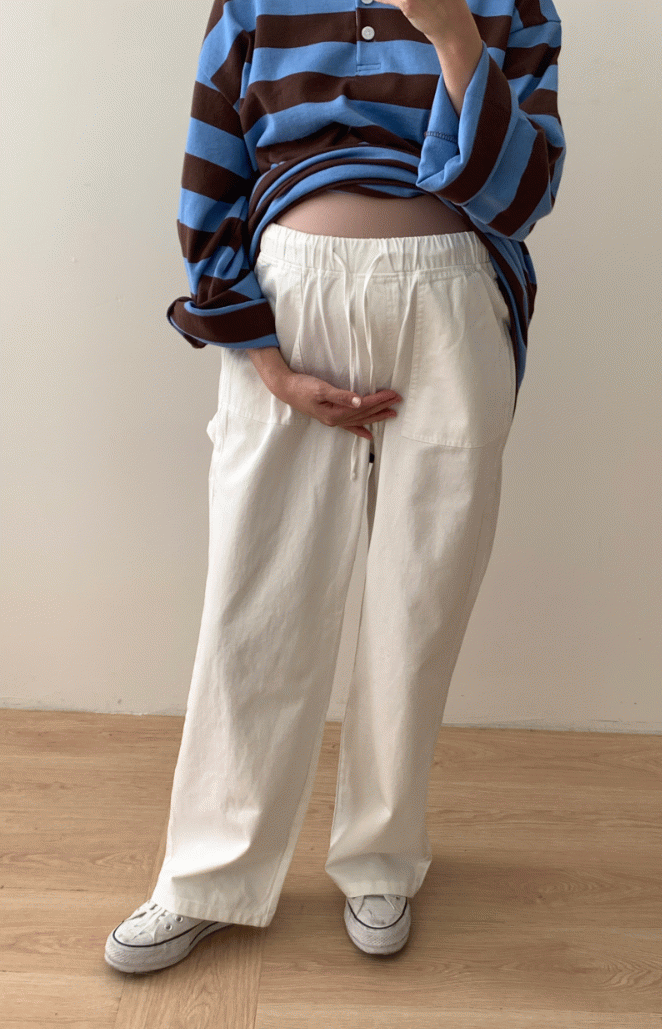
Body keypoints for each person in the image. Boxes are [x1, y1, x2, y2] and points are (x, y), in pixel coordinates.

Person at [105, 0, 566, 975]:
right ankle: (207, 875)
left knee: (419, 601)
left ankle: (381, 858)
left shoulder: (509, 5)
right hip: (290, 305)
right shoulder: (251, 4)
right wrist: (266, 364)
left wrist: (453, 35)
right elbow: (211, 185)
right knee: (255, 598)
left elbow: (525, 197)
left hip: (450, 305)